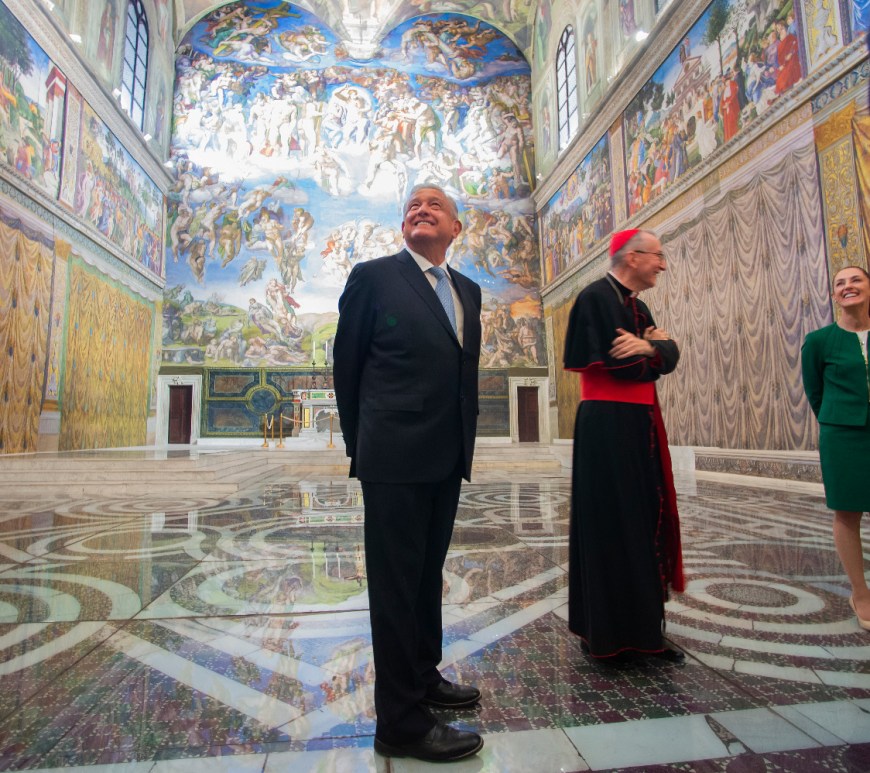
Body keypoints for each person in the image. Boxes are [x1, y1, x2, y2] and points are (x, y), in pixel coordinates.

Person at [333, 185, 483, 761]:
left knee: (426, 575)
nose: (421, 211)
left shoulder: (466, 290)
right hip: (393, 456)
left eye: (434, 206)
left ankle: (424, 677)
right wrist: (364, 445)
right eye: (412, 207)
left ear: (456, 227)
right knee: (396, 586)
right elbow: (347, 367)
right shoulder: (373, 277)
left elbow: (460, 371)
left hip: (447, 454)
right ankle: (399, 720)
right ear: (403, 228)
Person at [563, 228, 685, 662]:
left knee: (643, 522)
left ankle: (644, 633)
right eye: (657, 256)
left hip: (641, 425)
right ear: (632, 258)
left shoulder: (639, 305)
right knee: (610, 525)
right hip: (608, 426)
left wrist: (652, 346)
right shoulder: (596, 298)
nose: (663, 264)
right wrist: (656, 348)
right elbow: (625, 365)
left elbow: (666, 357)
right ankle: (609, 637)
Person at [801, 265, 870, 631]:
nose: (848, 287)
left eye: (856, 280)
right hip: (843, 434)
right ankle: (860, 592)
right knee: (847, 513)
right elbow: (815, 391)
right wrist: (836, 419)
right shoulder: (819, 341)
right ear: (834, 296)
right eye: (840, 283)